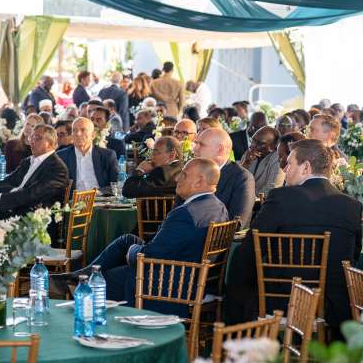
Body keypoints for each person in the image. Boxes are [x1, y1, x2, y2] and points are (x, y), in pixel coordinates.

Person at [50, 159, 229, 315]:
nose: (177, 178)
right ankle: (78, 276)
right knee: (127, 240)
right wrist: (134, 248)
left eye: (183, 174)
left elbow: (151, 256)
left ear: (199, 181)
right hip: (188, 273)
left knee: (101, 281)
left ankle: (80, 310)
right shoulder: (218, 207)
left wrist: (134, 252)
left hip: (170, 281)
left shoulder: (187, 214)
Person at [226, 139, 363, 339]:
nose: (285, 169)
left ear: (306, 167)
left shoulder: (282, 197)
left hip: (285, 300)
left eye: (290, 164)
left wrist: (247, 282)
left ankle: (251, 357)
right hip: (338, 306)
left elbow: (253, 244)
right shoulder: (352, 205)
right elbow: (353, 256)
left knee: (235, 292)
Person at [0, 124, 68, 219]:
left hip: (31, 220)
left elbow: (31, 196)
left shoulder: (57, 168)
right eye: (31, 137)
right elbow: (0, 185)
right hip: (10, 212)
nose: (31, 141)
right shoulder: (27, 162)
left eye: (37, 138)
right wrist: (18, 191)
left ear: (50, 143)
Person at [191, 128, 255, 229]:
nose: (195, 148)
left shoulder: (242, 178)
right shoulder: (190, 172)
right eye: (196, 143)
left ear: (220, 150)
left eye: (201, 144)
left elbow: (236, 223)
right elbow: (176, 211)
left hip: (218, 241)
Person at [57, 118, 118, 194]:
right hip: (73, 202)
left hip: (100, 200)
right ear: (72, 135)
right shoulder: (61, 156)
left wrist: (97, 193)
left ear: (93, 135)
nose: (78, 134)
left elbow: (117, 184)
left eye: (83, 130)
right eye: (75, 130)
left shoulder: (107, 155)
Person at [240, 126, 284, 198]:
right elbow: (234, 182)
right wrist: (246, 162)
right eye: (253, 140)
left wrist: (242, 192)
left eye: (260, 143)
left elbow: (271, 191)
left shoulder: (277, 159)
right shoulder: (250, 153)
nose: (253, 145)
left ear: (272, 146)